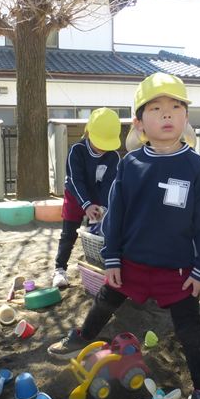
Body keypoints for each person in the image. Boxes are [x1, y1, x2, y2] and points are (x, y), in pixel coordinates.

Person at [48, 72, 200, 399]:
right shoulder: (130, 165)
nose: (167, 114)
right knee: (106, 299)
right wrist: (112, 257)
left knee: (190, 330)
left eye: (175, 107)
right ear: (140, 122)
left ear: (186, 117)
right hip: (131, 263)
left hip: (178, 270)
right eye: (156, 108)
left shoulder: (195, 167)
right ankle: (82, 335)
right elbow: (116, 215)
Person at [52, 107, 122, 288]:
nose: (103, 148)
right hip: (76, 197)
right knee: (69, 234)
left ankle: (97, 266)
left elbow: (109, 185)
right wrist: (86, 204)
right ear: (89, 133)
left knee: (97, 232)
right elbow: (75, 180)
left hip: (97, 201)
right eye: (100, 142)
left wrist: (104, 207)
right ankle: (60, 268)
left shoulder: (113, 157)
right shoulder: (77, 151)